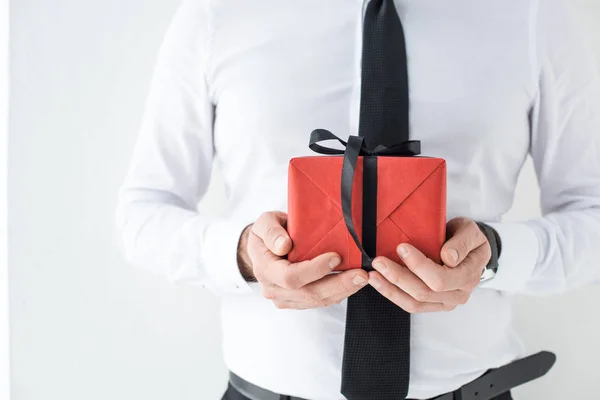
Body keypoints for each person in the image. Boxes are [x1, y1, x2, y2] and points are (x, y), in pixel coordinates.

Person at [116, 0, 600, 399]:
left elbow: (592, 212)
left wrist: (495, 254)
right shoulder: (216, 16)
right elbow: (143, 212)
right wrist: (243, 254)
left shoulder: (534, 15)